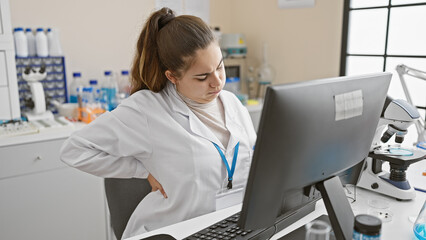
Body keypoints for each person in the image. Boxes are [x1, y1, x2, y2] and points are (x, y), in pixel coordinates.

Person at [60, 7, 256, 239]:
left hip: (227, 226)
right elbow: (74, 150)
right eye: (202, 77)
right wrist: (141, 170)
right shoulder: (146, 110)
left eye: (220, 67)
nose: (217, 82)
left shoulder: (232, 103)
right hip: (173, 231)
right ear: (172, 77)